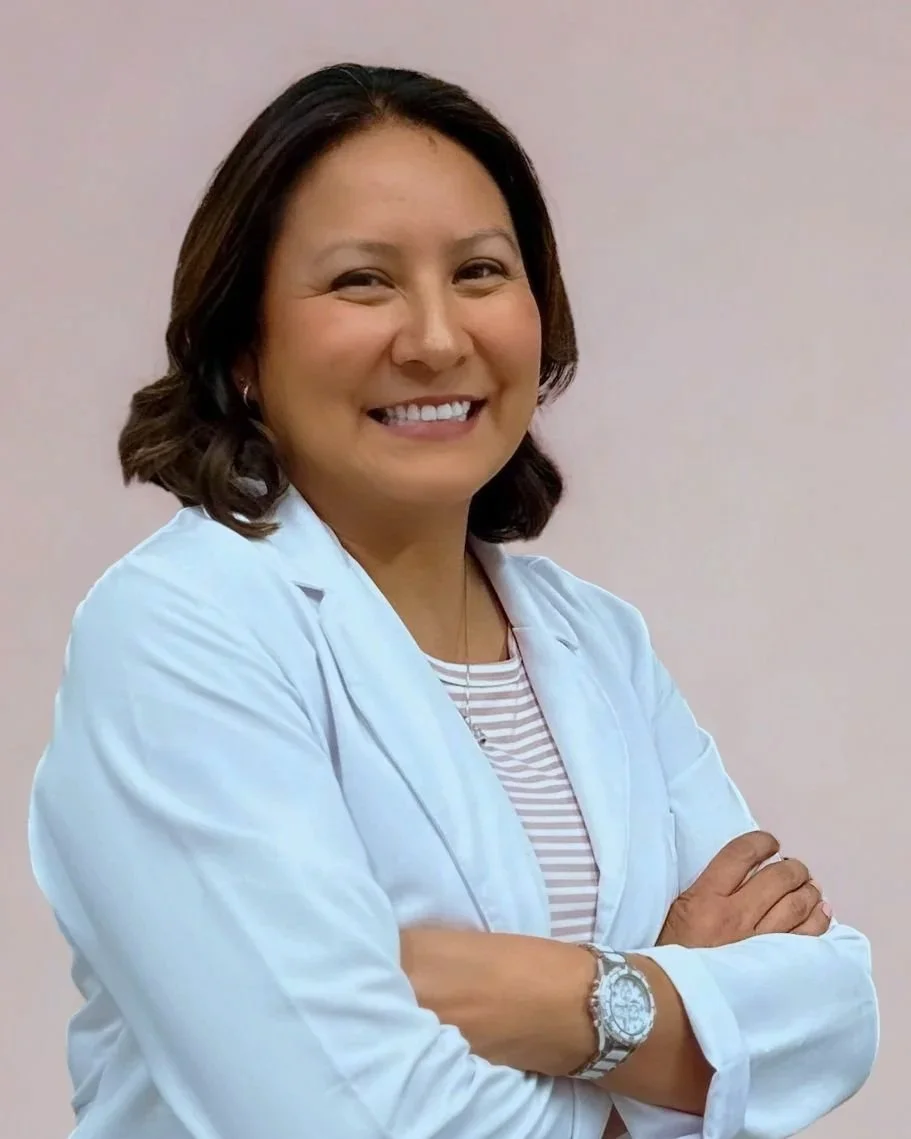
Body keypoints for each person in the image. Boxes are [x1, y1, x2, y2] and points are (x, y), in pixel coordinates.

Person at [28, 63, 877, 1139]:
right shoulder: (177, 631)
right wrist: (673, 1043)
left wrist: (545, 998)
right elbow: (338, 1114)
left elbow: (831, 1012)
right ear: (244, 347)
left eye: (479, 270)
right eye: (360, 282)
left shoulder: (594, 638)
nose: (434, 338)